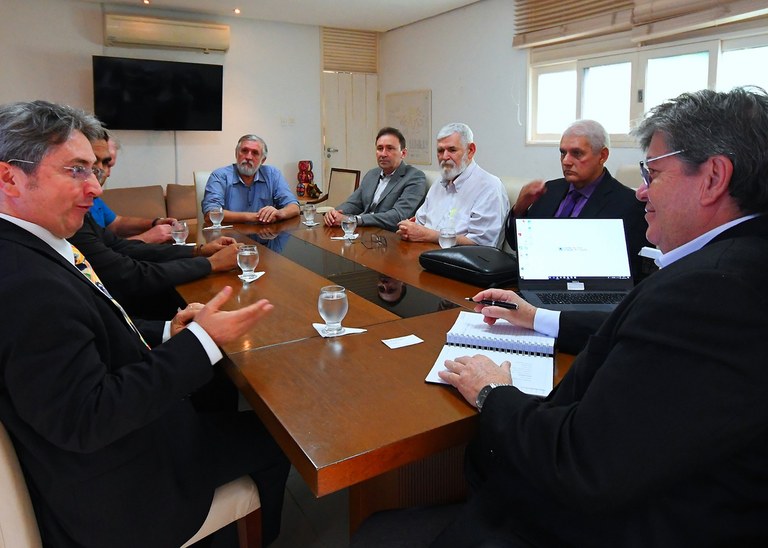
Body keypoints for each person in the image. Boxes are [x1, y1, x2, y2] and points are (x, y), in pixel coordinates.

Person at [425, 87, 768, 546]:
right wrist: (536, 316)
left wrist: (493, 393)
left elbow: (582, 464)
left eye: (654, 172)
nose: (643, 189)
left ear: (713, 178)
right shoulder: (736, 261)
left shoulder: (707, 291)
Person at [0, 100, 290, 548]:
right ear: (9, 178)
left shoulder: (32, 245)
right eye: (76, 170)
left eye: (94, 170)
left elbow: (92, 331)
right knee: (276, 440)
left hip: (122, 452)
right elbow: (88, 419)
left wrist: (170, 333)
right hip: (124, 492)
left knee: (218, 392)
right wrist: (202, 342)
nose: (95, 188)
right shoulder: (24, 281)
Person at [506, 119, 650, 279]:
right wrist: (520, 208)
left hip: (591, 293)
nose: (566, 161)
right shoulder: (549, 190)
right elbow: (517, 245)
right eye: (562, 152)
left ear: (602, 156)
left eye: (577, 153)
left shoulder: (629, 204)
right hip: (538, 285)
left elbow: (636, 273)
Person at [396, 123, 509, 248]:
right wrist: (409, 229)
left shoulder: (489, 187)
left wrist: (427, 235)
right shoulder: (439, 184)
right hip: (424, 254)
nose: (444, 157)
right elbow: (419, 222)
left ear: (470, 150)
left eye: (452, 150)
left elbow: (482, 245)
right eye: (440, 151)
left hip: (463, 263)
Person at [323, 127, 426, 231]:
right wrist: (335, 213)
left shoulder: (415, 177)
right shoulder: (372, 174)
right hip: (365, 232)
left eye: (390, 148)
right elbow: (354, 203)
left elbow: (398, 216)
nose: (383, 154)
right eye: (380, 148)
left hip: (389, 237)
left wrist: (354, 219)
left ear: (403, 153)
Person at [89, 131, 177, 244]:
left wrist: (154, 223)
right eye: (94, 162)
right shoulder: (75, 205)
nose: (106, 173)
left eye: (106, 163)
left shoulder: (94, 198)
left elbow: (116, 223)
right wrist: (146, 238)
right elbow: (97, 253)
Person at [202, 134, 300, 224]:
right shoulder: (219, 176)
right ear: (236, 154)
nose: (248, 157)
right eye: (244, 151)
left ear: (263, 160)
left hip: (265, 237)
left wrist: (279, 213)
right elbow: (210, 214)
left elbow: (294, 207)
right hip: (229, 239)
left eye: (255, 153)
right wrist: (257, 217)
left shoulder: (272, 174)